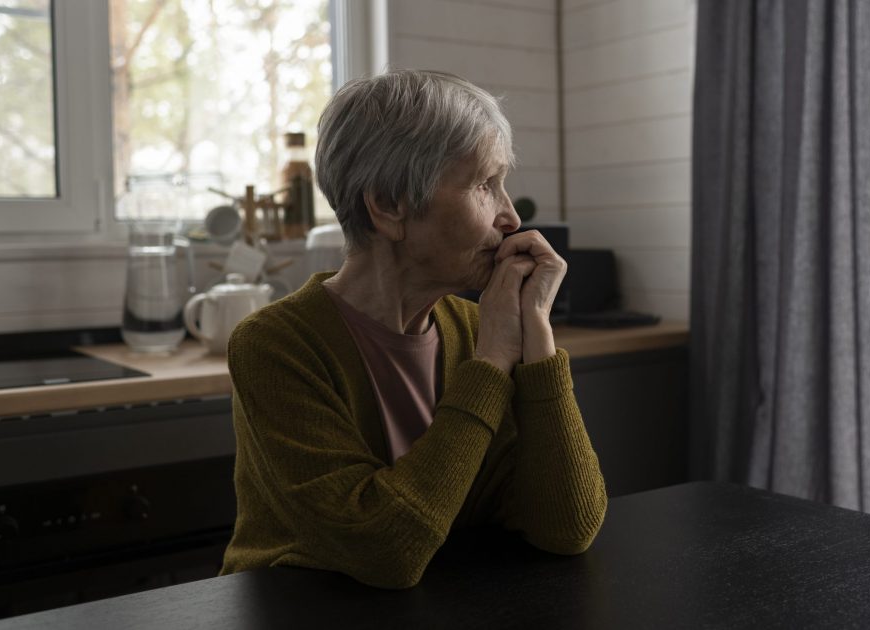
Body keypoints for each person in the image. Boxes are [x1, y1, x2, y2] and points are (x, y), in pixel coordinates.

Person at [219, 69, 607, 588]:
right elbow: (383, 551)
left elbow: (568, 529)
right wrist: (491, 364)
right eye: (485, 185)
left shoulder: (476, 328)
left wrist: (535, 329)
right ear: (389, 206)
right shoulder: (275, 345)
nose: (511, 217)